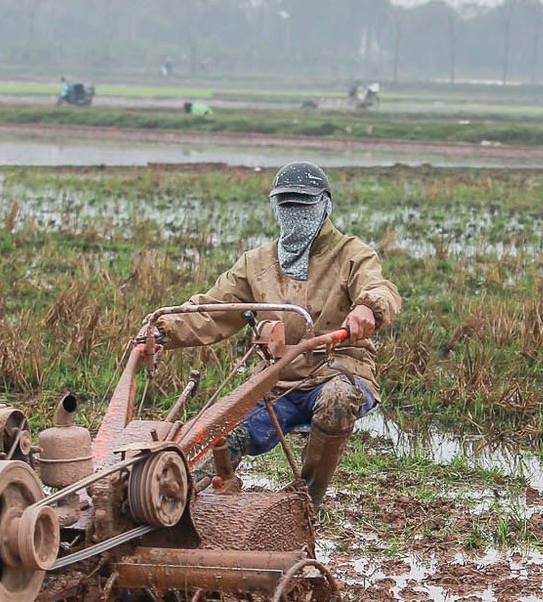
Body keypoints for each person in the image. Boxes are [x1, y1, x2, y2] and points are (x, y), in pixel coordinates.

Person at [154, 161, 401, 509]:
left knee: (335, 401)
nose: (294, 214)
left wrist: (368, 307)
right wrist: (162, 330)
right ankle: (179, 502)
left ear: (324, 205)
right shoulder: (256, 263)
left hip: (339, 369)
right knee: (224, 434)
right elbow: (213, 311)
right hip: (276, 381)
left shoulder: (352, 254)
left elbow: (379, 287)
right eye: (286, 206)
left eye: (303, 205)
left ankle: (306, 503)